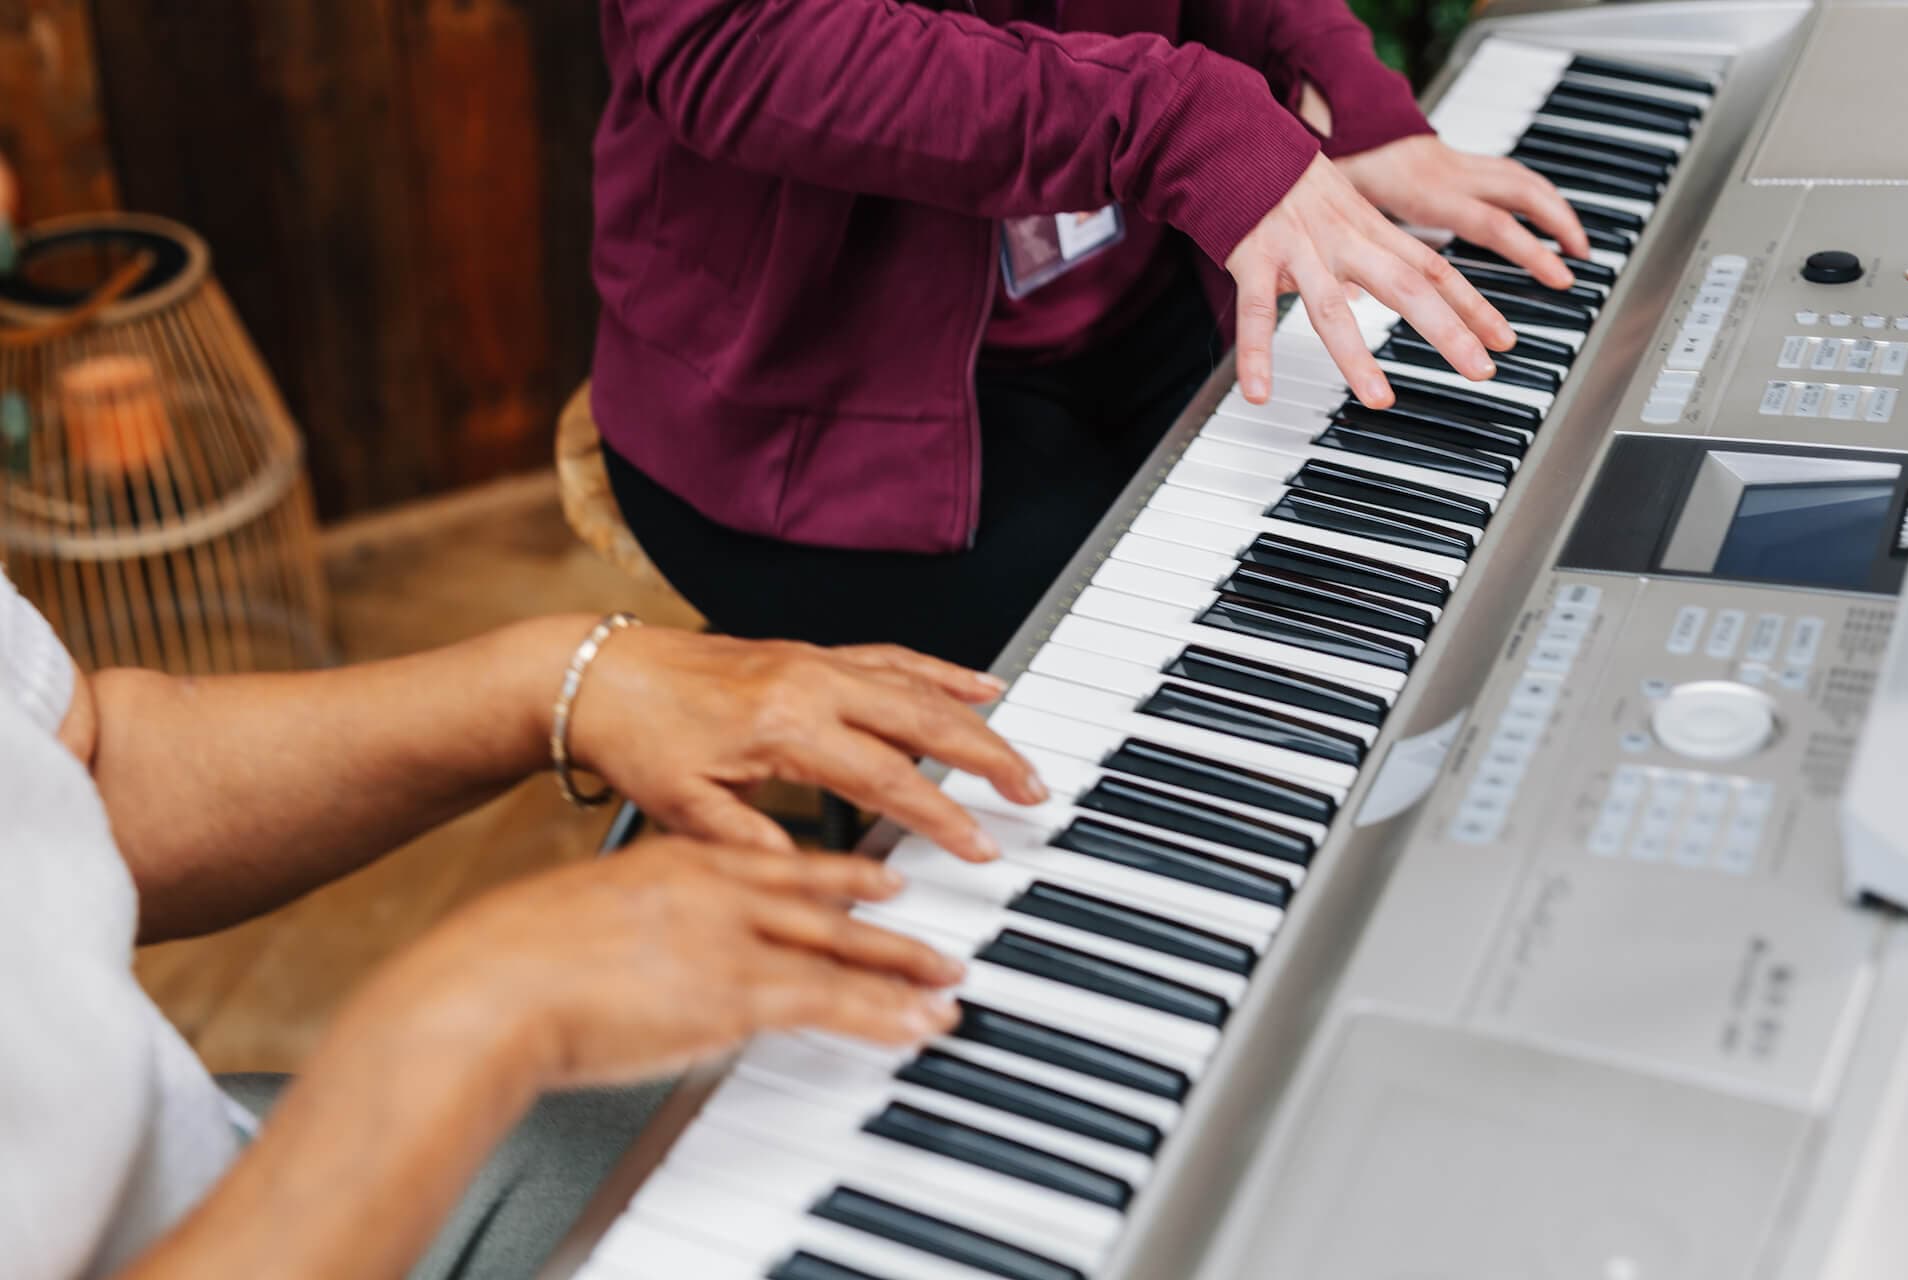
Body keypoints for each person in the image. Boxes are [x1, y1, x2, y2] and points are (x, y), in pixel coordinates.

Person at [0, 563, 1046, 1279]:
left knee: (912, 1105)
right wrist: (458, 1025)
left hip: (211, 1169)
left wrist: (560, 676)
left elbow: (70, 778)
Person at [591, 0, 1591, 670]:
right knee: (1247, 676)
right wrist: (1168, 121)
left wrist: (1345, 92)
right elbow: (734, 44)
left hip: (1150, 303)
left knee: (1427, 548)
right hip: (833, 418)